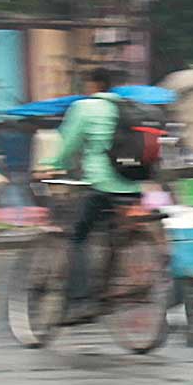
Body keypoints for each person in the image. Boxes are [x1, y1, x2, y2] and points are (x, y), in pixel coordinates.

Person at [36, 68, 141, 318]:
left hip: (102, 182)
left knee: (79, 236)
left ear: (95, 85)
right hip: (136, 182)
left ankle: (80, 302)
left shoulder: (85, 107)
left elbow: (68, 144)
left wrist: (52, 167)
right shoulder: (131, 108)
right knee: (114, 235)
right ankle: (107, 289)